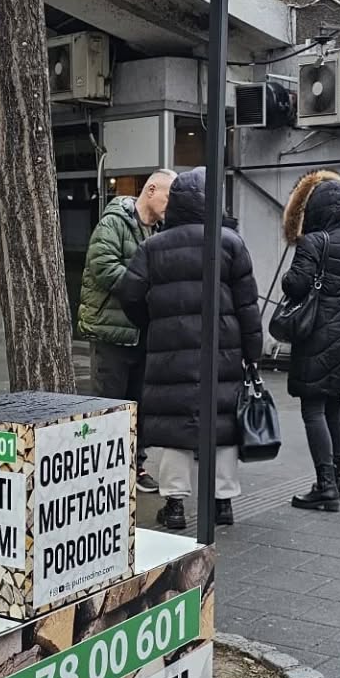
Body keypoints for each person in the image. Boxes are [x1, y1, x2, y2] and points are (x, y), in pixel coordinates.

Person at [115, 167, 261, 531]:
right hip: (223, 347)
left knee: (175, 426)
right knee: (223, 422)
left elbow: (129, 294)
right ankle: (222, 502)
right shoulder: (230, 243)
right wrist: (252, 351)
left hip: (170, 347)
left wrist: (153, 322)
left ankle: (175, 505)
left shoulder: (153, 247)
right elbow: (247, 305)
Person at [279, 170, 340, 512]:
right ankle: (337, 481)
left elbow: (295, 285)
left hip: (318, 331)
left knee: (313, 407)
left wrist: (289, 276)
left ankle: (325, 486)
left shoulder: (312, 242)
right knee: (333, 405)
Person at [78, 170, 174, 490]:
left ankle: (135, 466)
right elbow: (103, 266)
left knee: (140, 404)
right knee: (109, 405)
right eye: (168, 196)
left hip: (142, 332)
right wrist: (145, 288)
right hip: (111, 332)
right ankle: (103, 472)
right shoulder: (114, 222)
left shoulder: (158, 230)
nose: (171, 204)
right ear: (151, 190)